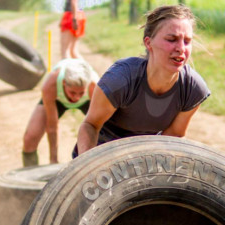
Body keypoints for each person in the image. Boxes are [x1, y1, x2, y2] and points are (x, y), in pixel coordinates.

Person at [75, 5, 211, 157]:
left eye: (187, 41)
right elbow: (90, 125)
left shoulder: (193, 88)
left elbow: (173, 137)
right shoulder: (120, 79)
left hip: (144, 158)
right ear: (148, 43)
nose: (181, 48)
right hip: (101, 154)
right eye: (172, 39)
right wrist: (86, 170)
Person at [22, 58, 99, 166]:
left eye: (81, 92)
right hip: (58, 99)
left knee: (106, 131)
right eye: (72, 92)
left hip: (88, 101)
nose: (76, 97)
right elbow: (52, 126)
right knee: (30, 138)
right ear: (64, 83)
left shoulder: (94, 87)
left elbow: (100, 127)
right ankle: (27, 176)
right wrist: (53, 160)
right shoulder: (50, 85)